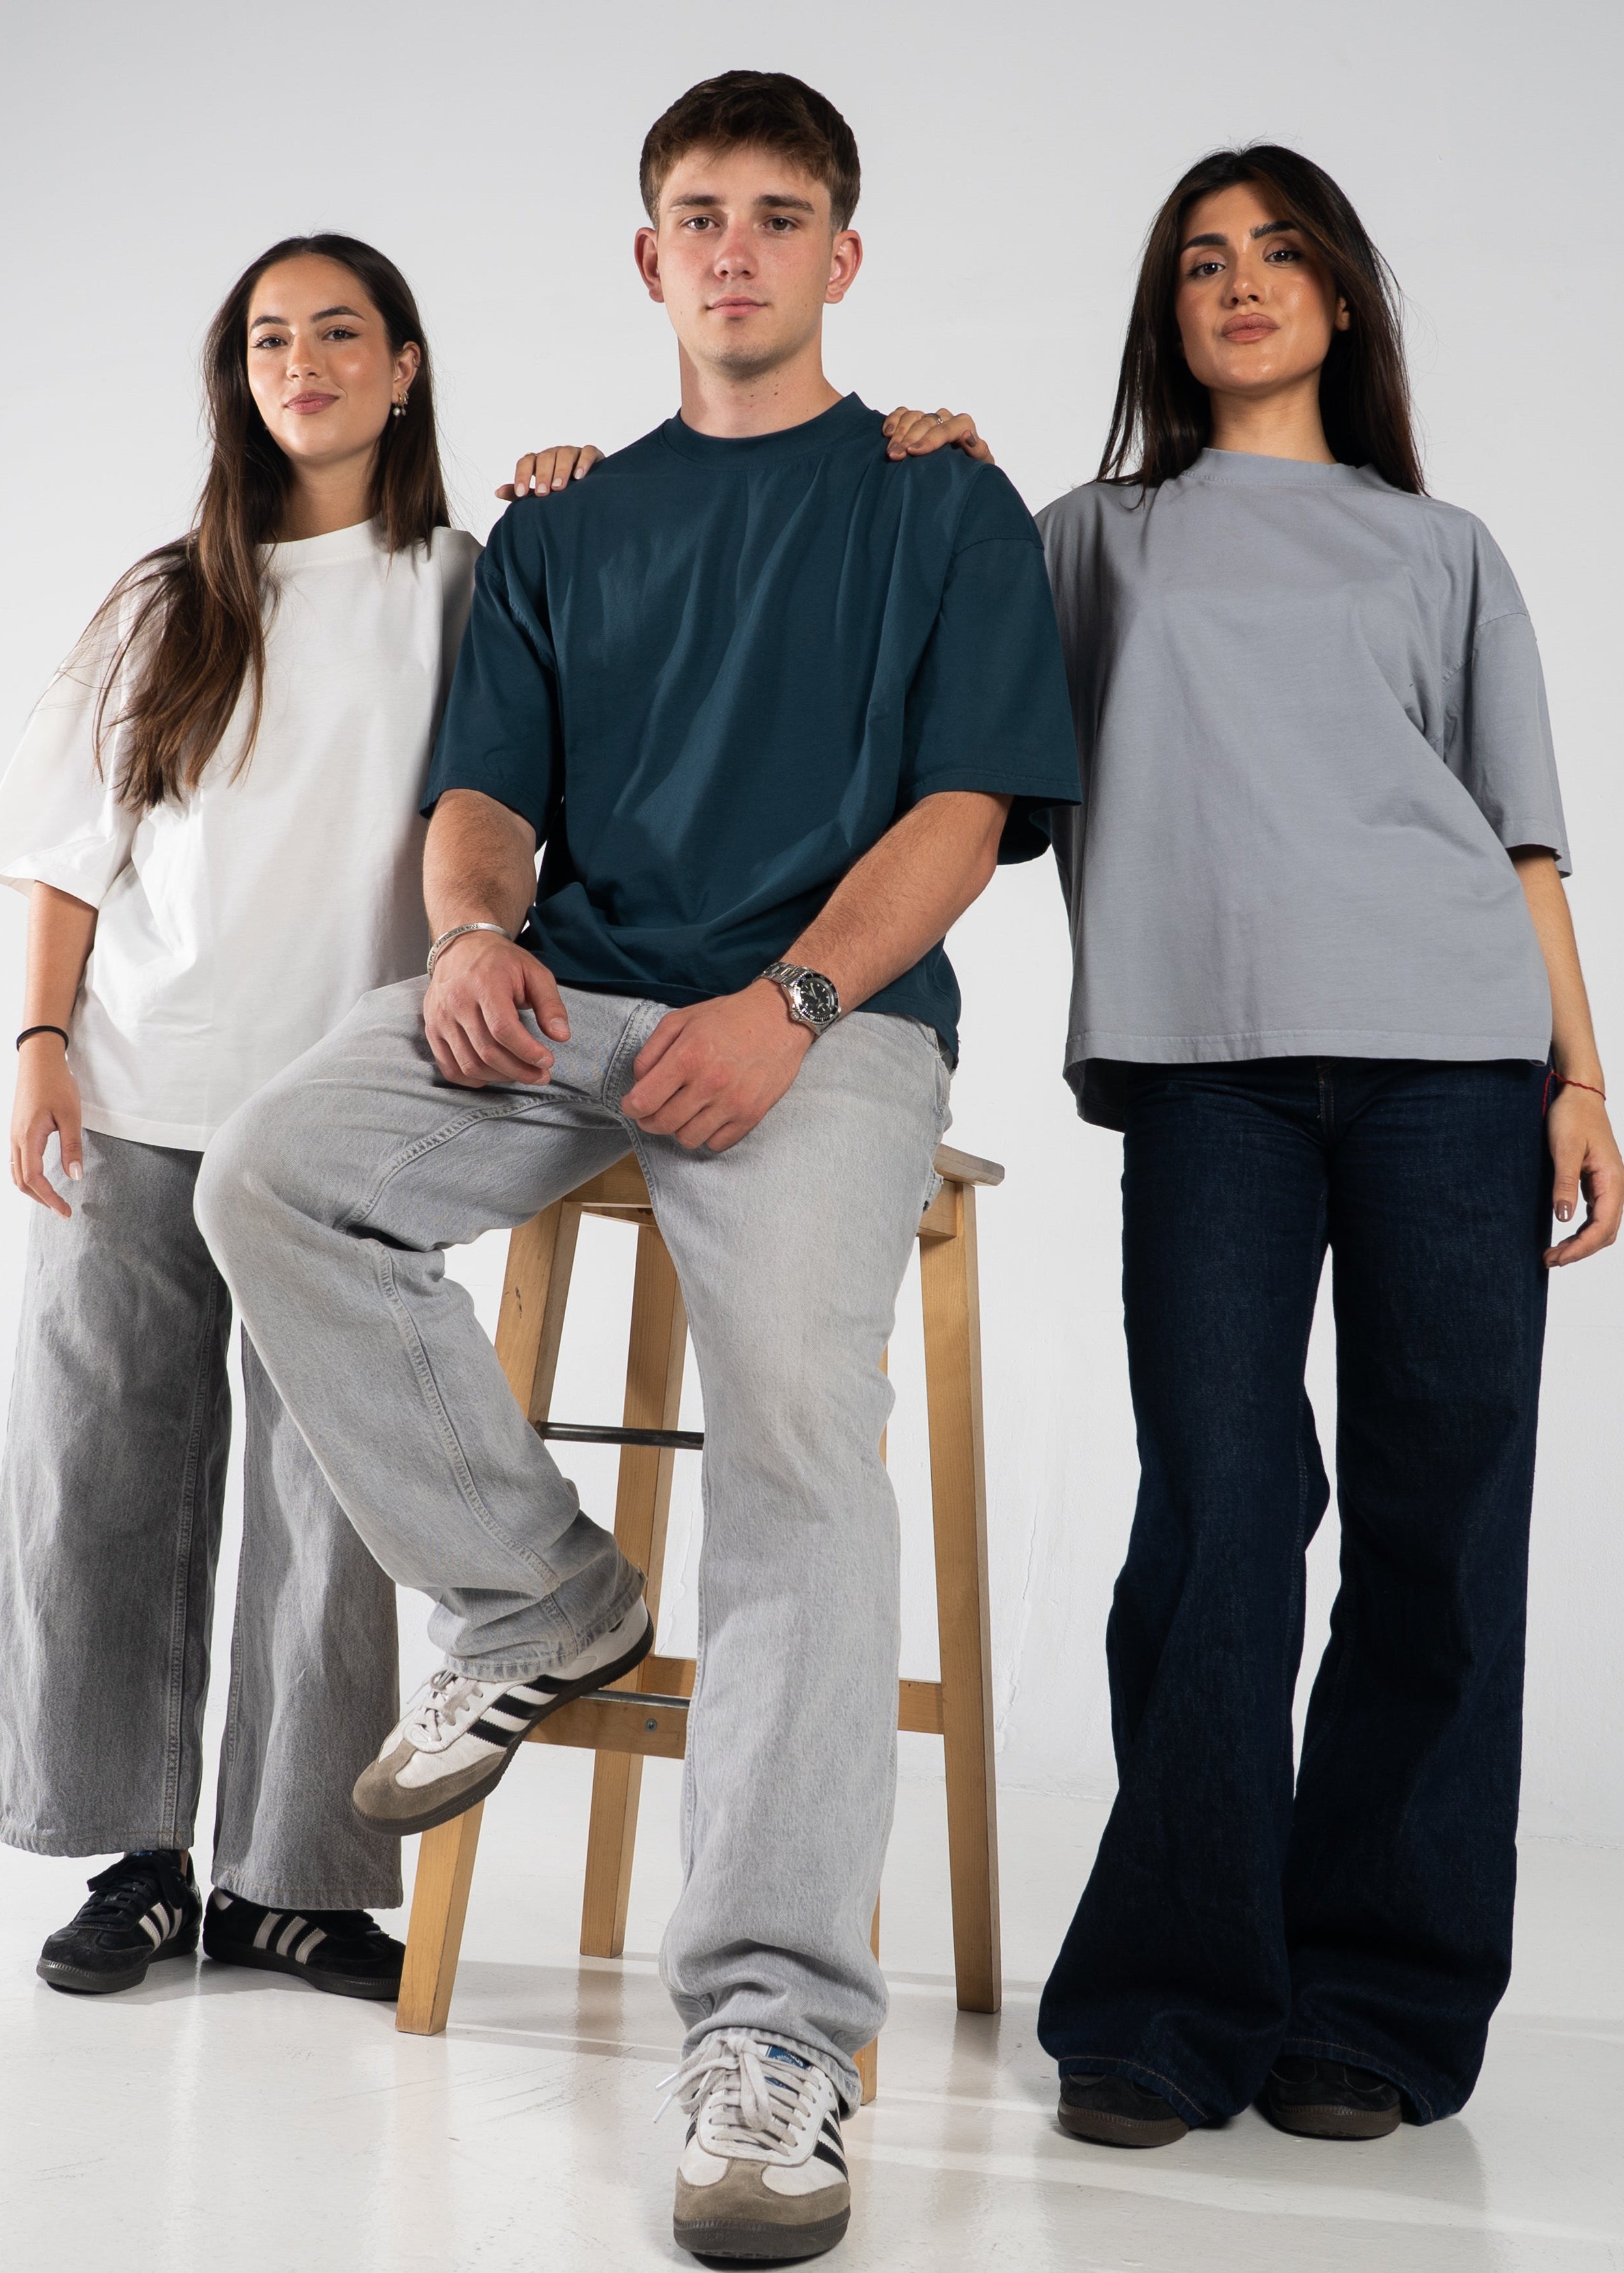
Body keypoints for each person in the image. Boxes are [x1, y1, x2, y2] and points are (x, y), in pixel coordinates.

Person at [194, 70, 1079, 2263]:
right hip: (570, 997)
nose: (736, 248)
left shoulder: (945, 502)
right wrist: (472, 931)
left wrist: (793, 1001)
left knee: (794, 1425)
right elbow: (483, 806)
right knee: (273, 1171)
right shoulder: (561, 526)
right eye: (700, 213)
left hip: (830, 1018)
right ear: (649, 256)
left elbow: (963, 815)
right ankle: (539, 1591)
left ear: (842, 257)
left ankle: (773, 2036)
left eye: (779, 215)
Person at [1019, 146, 1620, 2147]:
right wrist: (916, 468)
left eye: (1279, 253)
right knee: (1221, 1506)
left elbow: (1519, 842)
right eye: (1203, 260)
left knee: (1441, 1519)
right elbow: (961, 740)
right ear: (1167, 313)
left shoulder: (1443, 550)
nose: (1242, 282)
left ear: (1342, 298)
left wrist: (1581, 1078)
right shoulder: (1094, 538)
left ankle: (1374, 1993)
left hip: (1459, 1060)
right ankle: (1169, 1998)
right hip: (1212, 1073)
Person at [0, 234, 480, 2002]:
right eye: (272, 338)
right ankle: (135, 1855)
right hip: (138, 1090)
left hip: (349, 1111)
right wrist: (40, 1039)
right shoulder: (169, 599)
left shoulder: (464, 586)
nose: (305, 362)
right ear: (239, 377)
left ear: (405, 368)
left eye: (341, 331)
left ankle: (293, 1881)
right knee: (103, 1467)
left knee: (334, 1492)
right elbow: (71, 852)